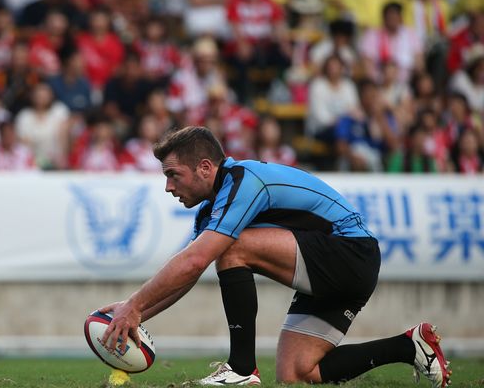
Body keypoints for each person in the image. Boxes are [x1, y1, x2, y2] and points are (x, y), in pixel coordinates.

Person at [98, 126, 450, 387]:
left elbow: (195, 260)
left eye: (173, 175)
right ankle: (410, 347)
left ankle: (240, 368)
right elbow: (189, 271)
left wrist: (135, 304)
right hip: (334, 267)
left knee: (232, 246)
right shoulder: (211, 210)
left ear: (205, 168)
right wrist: (133, 313)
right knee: (297, 373)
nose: (168, 187)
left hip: (351, 255)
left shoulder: (243, 180)